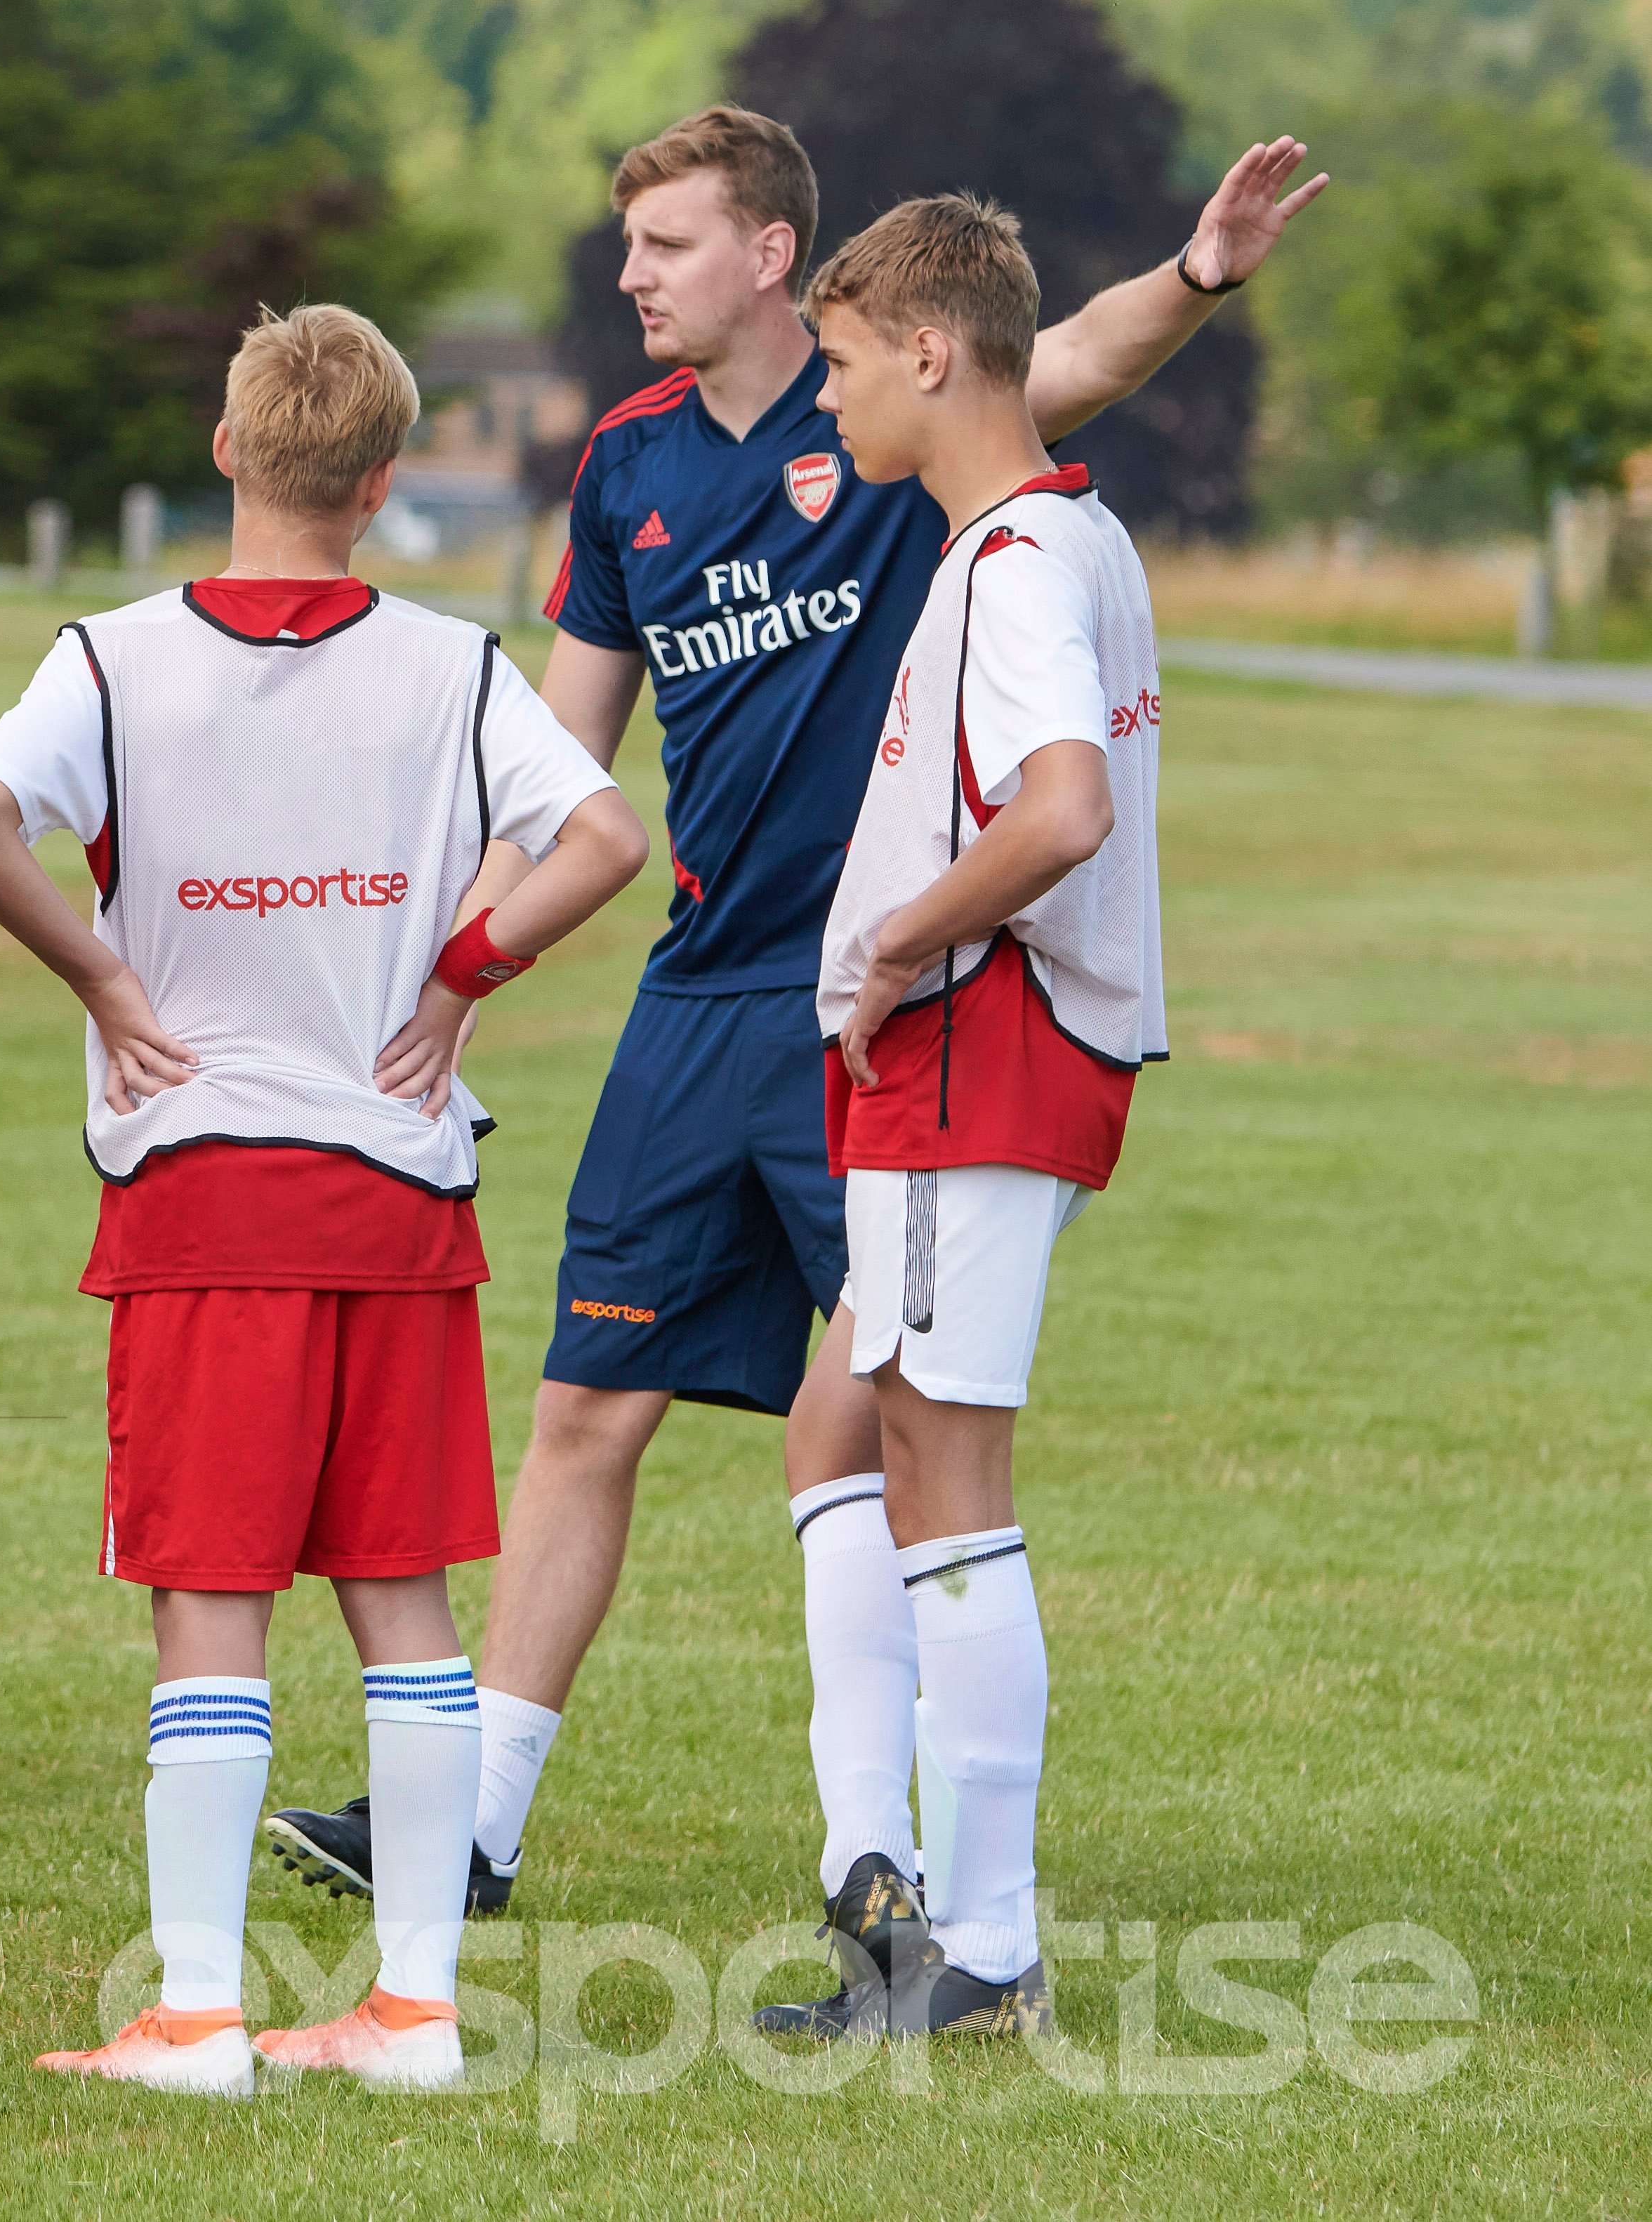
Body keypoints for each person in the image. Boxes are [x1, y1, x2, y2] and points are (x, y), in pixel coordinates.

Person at [265, 108, 1317, 1923]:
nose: (628, 276)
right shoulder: (623, 466)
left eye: (661, 243)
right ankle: (477, 1817)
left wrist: (1202, 274)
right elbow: (551, 752)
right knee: (587, 1400)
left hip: (881, 1010)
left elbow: (1050, 359)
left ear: (766, 253)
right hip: (696, 996)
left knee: (877, 1432)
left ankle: (893, 1856)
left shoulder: (904, 432)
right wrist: (420, 932)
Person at [0, 306, 646, 2098]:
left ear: (224, 450)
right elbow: (609, 837)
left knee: (208, 1604)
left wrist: (104, 985)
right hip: (395, 1187)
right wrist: (460, 972)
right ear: (386, 479)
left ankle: (192, 2015)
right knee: (398, 1603)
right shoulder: (453, 664)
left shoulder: (109, 658)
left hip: (200, 1197)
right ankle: (408, 2008)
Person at [753, 196, 1165, 2040]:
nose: (822, 398)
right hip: (1003, 1062)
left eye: (836, 362)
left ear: (927, 353)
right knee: (832, 1430)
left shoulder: (1007, 562)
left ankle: (974, 1938)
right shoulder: (1066, 533)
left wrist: (898, 942)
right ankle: (879, 1883)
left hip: (969, 1061)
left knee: (939, 1468)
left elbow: (1058, 805)